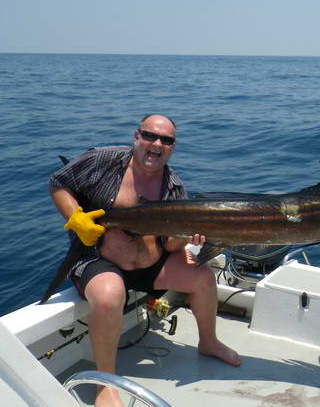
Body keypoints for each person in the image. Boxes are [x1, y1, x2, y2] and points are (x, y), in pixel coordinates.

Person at [48, 114, 241, 407]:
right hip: (100, 261)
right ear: (136, 137)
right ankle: (105, 384)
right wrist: (75, 219)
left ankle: (209, 342)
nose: (157, 144)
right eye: (150, 135)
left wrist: (192, 236)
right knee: (110, 294)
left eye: (166, 140)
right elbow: (58, 182)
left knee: (202, 277)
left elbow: (172, 245)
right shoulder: (103, 160)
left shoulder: (174, 187)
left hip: (152, 264)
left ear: (173, 147)